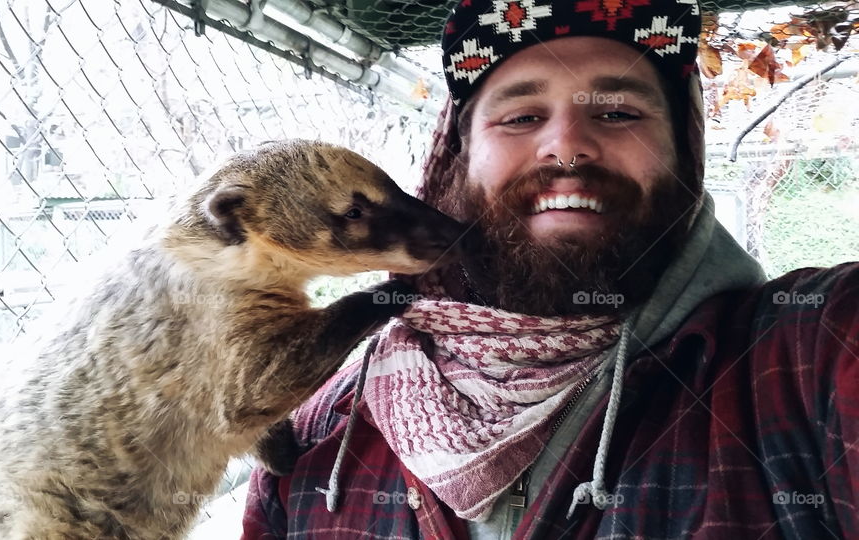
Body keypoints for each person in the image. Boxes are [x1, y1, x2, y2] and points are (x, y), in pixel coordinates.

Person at [241, 0, 858, 537]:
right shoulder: (319, 425)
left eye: (617, 113)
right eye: (521, 117)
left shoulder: (805, 359)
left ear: (685, 151)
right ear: (459, 155)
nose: (566, 145)